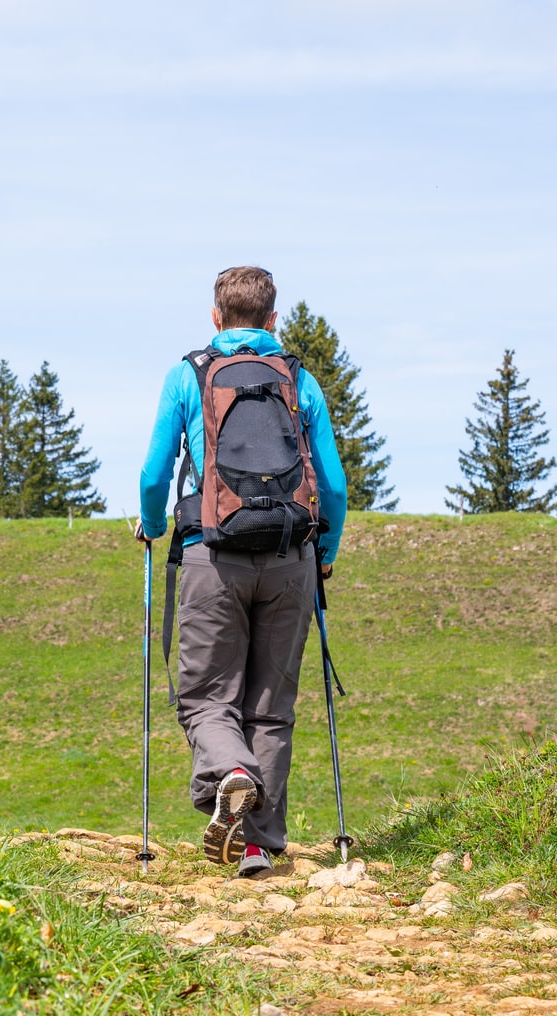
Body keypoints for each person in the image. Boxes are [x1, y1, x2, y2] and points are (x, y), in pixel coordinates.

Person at [137, 265, 347, 876]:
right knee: (271, 707)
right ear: (273, 319)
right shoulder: (298, 381)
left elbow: (154, 474)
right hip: (291, 559)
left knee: (206, 697)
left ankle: (231, 771)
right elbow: (331, 484)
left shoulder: (189, 376)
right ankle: (257, 846)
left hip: (212, 554)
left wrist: (153, 526)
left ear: (215, 317)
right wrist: (325, 550)